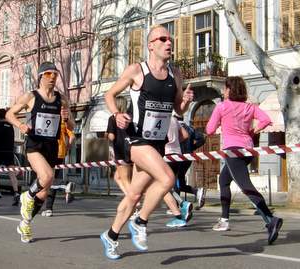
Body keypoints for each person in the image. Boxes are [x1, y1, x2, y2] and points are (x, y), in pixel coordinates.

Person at [99, 25, 194, 260]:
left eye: (170, 39)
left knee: (133, 194)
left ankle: (110, 235)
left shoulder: (176, 74)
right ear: (151, 45)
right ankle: (140, 222)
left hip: (158, 142)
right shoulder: (137, 71)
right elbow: (109, 95)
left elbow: (177, 108)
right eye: (162, 39)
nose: (168, 43)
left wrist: (187, 102)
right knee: (167, 178)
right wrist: (116, 114)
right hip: (136, 140)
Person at [205, 76, 282, 244]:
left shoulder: (222, 107)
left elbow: (209, 130)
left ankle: (270, 219)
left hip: (233, 151)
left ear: (229, 90)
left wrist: (221, 123)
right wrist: (254, 130)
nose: (223, 91)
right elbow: (266, 120)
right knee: (224, 181)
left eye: (225, 89)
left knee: (246, 187)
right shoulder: (250, 107)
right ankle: (224, 220)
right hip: (248, 150)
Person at [6, 62, 75, 243]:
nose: (52, 77)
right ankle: (27, 196)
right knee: (47, 175)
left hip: (52, 146)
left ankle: (25, 223)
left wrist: (67, 119)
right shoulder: (31, 96)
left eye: (55, 74)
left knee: (44, 190)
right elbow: (9, 114)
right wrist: (21, 125)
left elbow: (72, 126)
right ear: (40, 76)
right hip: (34, 144)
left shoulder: (62, 99)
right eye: (48, 74)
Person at [41, 118, 76, 217]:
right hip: (60, 154)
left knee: (47, 179)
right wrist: (67, 147)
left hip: (50, 153)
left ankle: (66, 185)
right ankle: (48, 209)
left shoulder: (47, 119)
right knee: (51, 180)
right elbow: (72, 137)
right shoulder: (64, 122)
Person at [0, 108, 20, 206]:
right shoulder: (10, 126)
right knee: (11, 172)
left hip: (0, 151)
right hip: (9, 151)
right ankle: (16, 193)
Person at [177, 119, 206, 209]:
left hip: (177, 157)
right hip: (188, 158)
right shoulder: (190, 128)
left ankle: (175, 205)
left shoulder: (175, 126)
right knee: (179, 181)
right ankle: (197, 191)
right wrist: (192, 148)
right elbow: (202, 138)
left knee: (174, 180)